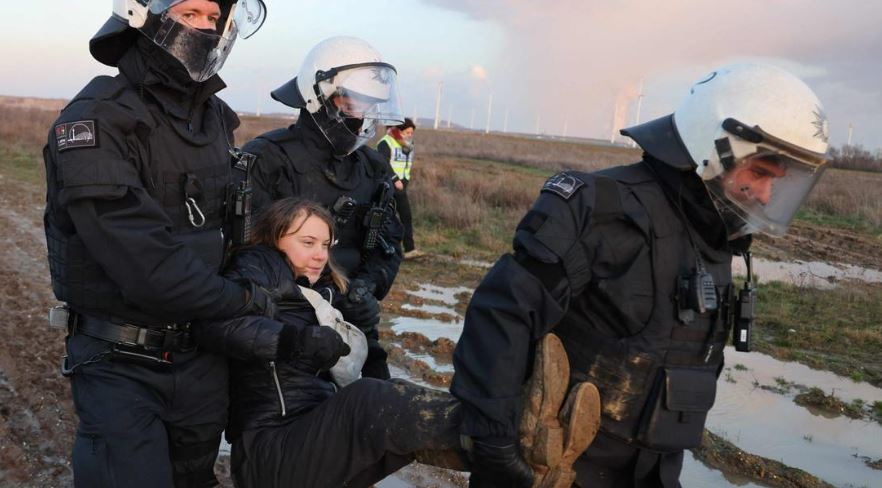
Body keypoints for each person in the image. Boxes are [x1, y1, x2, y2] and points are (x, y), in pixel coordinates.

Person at [449, 63, 830, 488]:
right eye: (758, 173)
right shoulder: (599, 208)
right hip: (554, 468)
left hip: (655, 471)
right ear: (713, 146)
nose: (764, 195)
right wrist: (495, 443)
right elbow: (501, 317)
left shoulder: (716, 242)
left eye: (774, 182)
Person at [43, 1, 277, 486]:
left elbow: (236, 231)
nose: (207, 29)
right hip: (121, 363)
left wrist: (260, 275)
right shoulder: (96, 121)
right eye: (192, 13)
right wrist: (245, 299)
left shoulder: (214, 120)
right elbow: (146, 263)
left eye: (215, 18)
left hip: (202, 360)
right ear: (144, 16)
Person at [193, 197, 467, 487]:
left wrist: (367, 338)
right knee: (368, 399)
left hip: (310, 438)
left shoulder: (320, 293)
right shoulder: (257, 270)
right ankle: (491, 430)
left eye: (325, 245)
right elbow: (216, 326)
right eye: (308, 242)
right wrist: (294, 341)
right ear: (274, 238)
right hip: (271, 449)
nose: (320, 255)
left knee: (399, 413)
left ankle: (496, 449)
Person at [242, 36, 406, 380]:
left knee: (374, 416)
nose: (363, 117)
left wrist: (365, 288)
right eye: (354, 104)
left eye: (372, 106)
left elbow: (389, 245)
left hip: (353, 326)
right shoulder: (268, 158)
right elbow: (245, 253)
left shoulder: (373, 167)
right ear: (320, 98)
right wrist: (317, 297)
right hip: (285, 331)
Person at [377, 118, 422, 258]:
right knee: (383, 219)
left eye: (411, 133)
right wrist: (395, 179)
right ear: (399, 130)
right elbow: (383, 164)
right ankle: (378, 249)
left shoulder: (408, 144)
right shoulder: (385, 142)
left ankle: (409, 250)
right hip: (388, 186)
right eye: (407, 132)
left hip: (402, 187)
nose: (410, 135)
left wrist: (405, 179)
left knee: (406, 217)